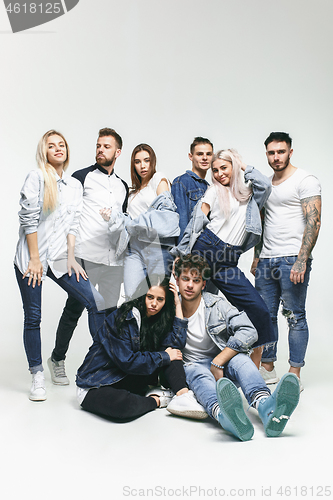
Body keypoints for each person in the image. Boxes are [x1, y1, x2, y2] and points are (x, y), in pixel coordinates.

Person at [167, 255, 300, 441]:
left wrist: (220, 359)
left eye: (196, 280)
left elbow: (249, 330)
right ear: (177, 280)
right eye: (185, 279)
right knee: (197, 372)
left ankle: (266, 406)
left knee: (241, 360)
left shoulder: (216, 304)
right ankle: (224, 415)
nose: (190, 285)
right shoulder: (168, 308)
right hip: (193, 366)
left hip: (219, 366)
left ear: (203, 284)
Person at [14, 130, 105, 401]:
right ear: (45, 151)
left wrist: (72, 257)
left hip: (60, 258)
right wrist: (34, 259)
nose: (58, 149)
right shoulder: (37, 177)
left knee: (95, 301)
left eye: (61, 145)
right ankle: (37, 374)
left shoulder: (74, 186)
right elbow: (28, 219)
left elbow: (73, 224)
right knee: (33, 316)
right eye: (51, 146)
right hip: (31, 258)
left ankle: (95, 365)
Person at [172, 149, 275, 363]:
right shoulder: (213, 191)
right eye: (215, 170)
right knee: (192, 308)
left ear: (234, 166)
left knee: (258, 309)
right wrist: (182, 254)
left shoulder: (249, 193)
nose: (219, 174)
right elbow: (196, 223)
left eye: (224, 168)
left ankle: (257, 367)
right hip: (205, 251)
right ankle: (177, 362)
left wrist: (241, 163)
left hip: (228, 260)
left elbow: (265, 184)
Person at [49, 128, 128, 386]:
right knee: (73, 310)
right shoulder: (80, 178)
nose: (100, 150)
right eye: (98, 146)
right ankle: (57, 359)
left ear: (117, 152)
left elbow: (122, 224)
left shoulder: (122, 186)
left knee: (110, 315)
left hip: (112, 261)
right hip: (83, 257)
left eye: (106, 146)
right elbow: (66, 215)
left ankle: (103, 366)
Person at [76, 275, 206, 422]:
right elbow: (127, 361)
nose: (154, 304)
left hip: (129, 377)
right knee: (123, 406)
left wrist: (177, 304)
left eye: (160, 299)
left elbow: (176, 344)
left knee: (171, 352)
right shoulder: (124, 318)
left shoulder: (157, 320)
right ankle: (158, 399)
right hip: (98, 383)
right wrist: (164, 357)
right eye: (150, 297)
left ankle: (183, 396)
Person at [251, 132, 321, 389]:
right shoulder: (267, 184)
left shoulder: (305, 180)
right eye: (271, 152)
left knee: (294, 316)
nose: (276, 157)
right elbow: (261, 222)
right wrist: (257, 256)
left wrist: (302, 260)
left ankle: (294, 374)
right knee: (265, 316)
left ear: (290, 151)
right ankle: (268, 367)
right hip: (267, 258)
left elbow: (314, 221)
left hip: (292, 258)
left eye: (280, 152)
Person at [101, 143, 179, 300]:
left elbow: (167, 216)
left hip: (157, 246)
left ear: (152, 162)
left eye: (146, 160)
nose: (142, 165)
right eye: (137, 162)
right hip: (134, 249)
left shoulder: (158, 179)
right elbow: (127, 223)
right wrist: (113, 217)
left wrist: (133, 223)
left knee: (159, 297)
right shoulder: (131, 194)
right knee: (132, 297)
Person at [171, 137, 214, 243]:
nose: (205, 158)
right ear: (191, 156)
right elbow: (181, 221)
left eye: (208, 154)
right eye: (200, 154)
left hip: (206, 249)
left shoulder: (210, 187)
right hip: (190, 250)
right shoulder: (182, 182)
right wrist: (182, 254)